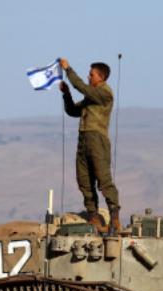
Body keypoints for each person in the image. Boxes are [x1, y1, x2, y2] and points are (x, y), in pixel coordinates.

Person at [58, 58, 121, 233]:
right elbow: (72, 111)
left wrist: (68, 69)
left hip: (97, 141)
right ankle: (93, 216)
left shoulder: (104, 93)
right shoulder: (90, 97)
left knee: (103, 179)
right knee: (84, 180)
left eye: (91, 74)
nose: (88, 77)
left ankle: (114, 216)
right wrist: (66, 94)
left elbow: (82, 87)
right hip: (83, 141)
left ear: (101, 77)